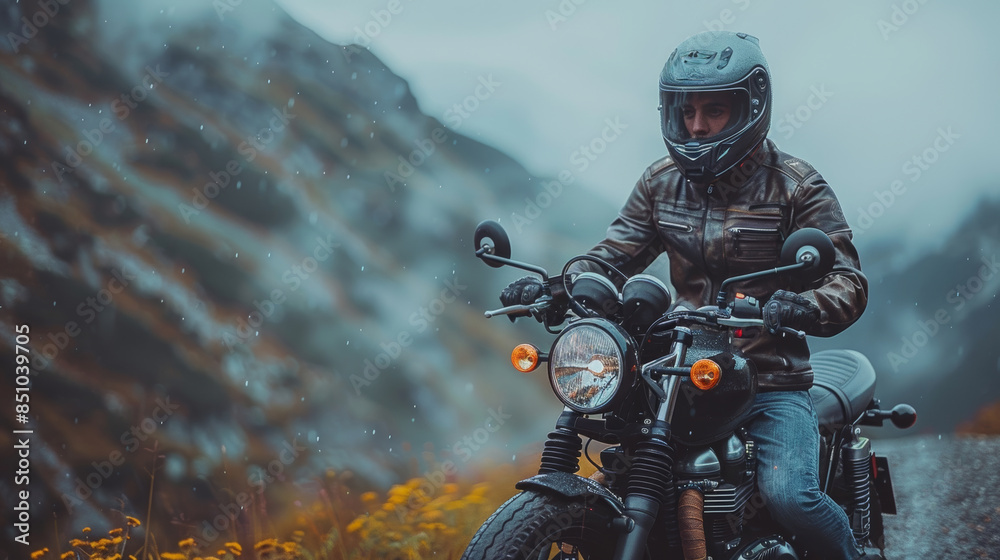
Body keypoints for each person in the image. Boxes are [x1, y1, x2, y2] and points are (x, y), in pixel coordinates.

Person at [500, 31, 879, 559]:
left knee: (791, 496)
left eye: (715, 111)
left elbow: (848, 282)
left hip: (769, 376)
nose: (697, 126)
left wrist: (802, 305)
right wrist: (559, 285)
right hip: (680, 365)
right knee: (621, 464)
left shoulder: (797, 186)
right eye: (687, 111)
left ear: (752, 107)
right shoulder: (660, 182)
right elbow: (613, 255)